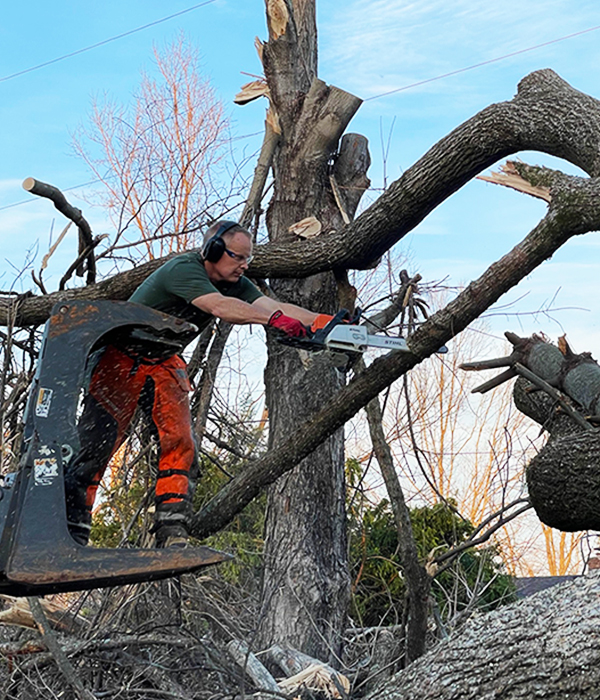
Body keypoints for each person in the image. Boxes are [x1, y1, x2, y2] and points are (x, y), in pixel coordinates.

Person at [64, 220, 323, 548]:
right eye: (238, 257)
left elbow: (273, 307)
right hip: (121, 357)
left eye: (248, 259)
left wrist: (320, 322)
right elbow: (219, 307)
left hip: (164, 360)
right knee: (97, 444)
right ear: (214, 250)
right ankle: (72, 527)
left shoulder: (236, 282)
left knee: (181, 441)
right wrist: (273, 321)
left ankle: (172, 528)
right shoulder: (184, 270)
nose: (244, 265)